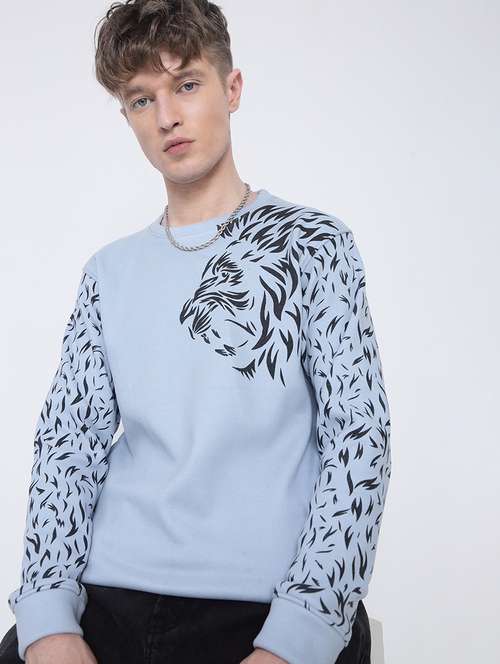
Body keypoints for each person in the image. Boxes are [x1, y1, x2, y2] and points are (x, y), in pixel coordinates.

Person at [0, 1, 392, 663]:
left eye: (186, 84)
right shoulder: (109, 272)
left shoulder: (313, 244)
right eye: (140, 99)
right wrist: (47, 619)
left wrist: (300, 634)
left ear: (231, 88)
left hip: (263, 601)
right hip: (109, 594)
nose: (166, 117)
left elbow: (359, 440)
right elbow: (68, 447)